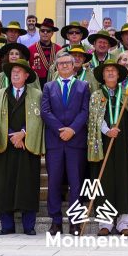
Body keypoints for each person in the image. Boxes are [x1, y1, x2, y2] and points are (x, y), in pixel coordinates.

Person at [0, 59, 44, 236]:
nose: (16, 74)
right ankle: (7, 225)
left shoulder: (36, 94)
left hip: (28, 145)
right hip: (6, 144)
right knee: (5, 184)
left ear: (27, 76)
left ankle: (29, 225)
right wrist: (13, 134)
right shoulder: (0, 93)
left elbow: (39, 119)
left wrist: (23, 134)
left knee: (28, 183)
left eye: (19, 72)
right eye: (13, 72)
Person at [40, 49, 91, 236]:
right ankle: (55, 221)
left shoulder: (83, 86)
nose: (64, 66)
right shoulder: (49, 87)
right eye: (61, 64)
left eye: (68, 63)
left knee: (76, 183)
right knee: (53, 182)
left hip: (75, 141)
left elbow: (85, 111)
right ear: (57, 67)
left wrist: (72, 129)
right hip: (55, 141)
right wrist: (61, 129)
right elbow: (45, 111)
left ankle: (75, 222)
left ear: (74, 66)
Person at [87, 58, 128, 236]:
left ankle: (124, 223)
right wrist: (107, 131)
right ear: (102, 75)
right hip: (104, 141)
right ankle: (105, 223)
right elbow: (93, 118)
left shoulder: (127, 93)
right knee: (105, 181)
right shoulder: (96, 95)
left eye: (113, 71)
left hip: (122, 142)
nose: (110, 73)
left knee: (123, 180)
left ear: (118, 75)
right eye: (107, 70)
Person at [28, 18, 59, 84]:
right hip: (36, 84)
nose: (45, 33)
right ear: (39, 32)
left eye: (48, 31)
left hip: (55, 83)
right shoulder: (30, 49)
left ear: (52, 33)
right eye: (42, 30)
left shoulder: (59, 49)